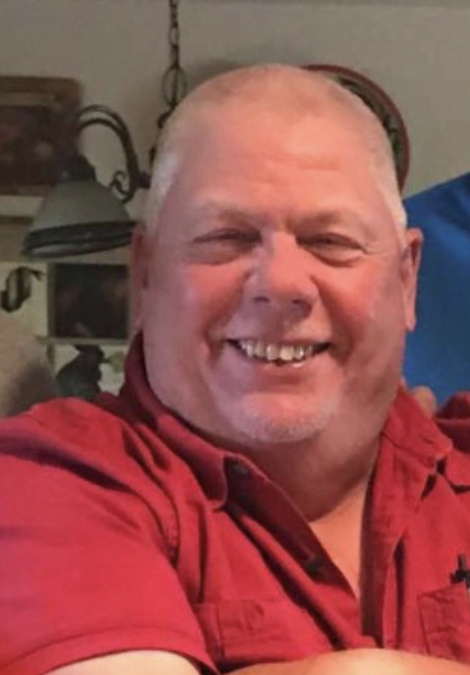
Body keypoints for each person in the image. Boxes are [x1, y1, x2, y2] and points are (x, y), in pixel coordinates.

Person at [0, 64, 469, 675]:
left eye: (330, 241)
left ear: (406, 279)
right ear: (145, 274)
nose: (281, 283)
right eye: (225, 236)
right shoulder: (48, 478)